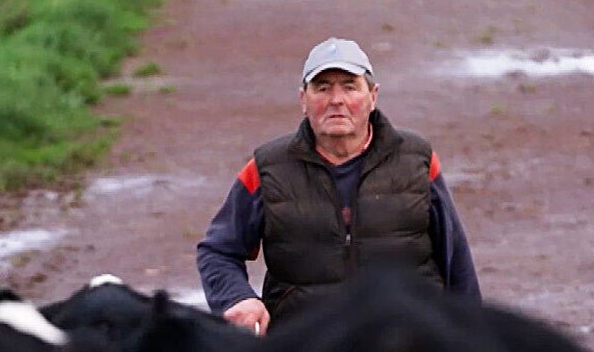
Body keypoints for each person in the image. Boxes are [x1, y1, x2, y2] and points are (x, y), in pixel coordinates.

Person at [196, 37, 480, 334]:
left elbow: (456, 260)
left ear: (373, 96)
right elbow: (218, 250)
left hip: (407, 342)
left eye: (349, 86)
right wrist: (237, 298)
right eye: (322, 88)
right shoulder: (267, 169)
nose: (336, 100)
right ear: (303, 99)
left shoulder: (417, 160)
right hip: (307, 345)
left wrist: (474, 337)